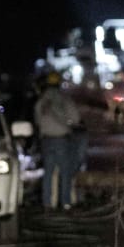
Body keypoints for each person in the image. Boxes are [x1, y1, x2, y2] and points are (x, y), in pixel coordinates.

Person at [33, 72, 82, 210]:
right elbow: (76, 119)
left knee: (48, 173)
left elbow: (37, 120)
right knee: (65, 172)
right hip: (62, 139)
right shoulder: (63, 99)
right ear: (59, 83)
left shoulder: (41, 100)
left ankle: (47, 203)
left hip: (46, 140)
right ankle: (65, 203)